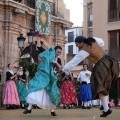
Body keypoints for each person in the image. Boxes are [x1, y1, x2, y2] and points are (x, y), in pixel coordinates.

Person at [61, 36, 119, 117]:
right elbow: (102, 42)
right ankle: (106, 108)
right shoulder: (94, 41)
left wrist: (63, 69)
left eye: (77, 44)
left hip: (102, 65)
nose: (77, 46)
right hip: (109, 61)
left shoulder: (84, 51)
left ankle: (106, 109)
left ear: (82, 43)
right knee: (104, 87)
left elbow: (74, 61)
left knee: (100, 87)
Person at [23, 38, 62, 116]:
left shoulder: (58, 59)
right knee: (35, 89)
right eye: (57, 52)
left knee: (51, 93)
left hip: (51, 78)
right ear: (54, 51)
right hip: (43, 76)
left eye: (60, 52)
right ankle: (29, 108)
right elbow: (39, 46)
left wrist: (56, 63)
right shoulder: (47, 54)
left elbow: (61, 68)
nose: (58, 53)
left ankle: (52, 110)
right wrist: (38, 37)